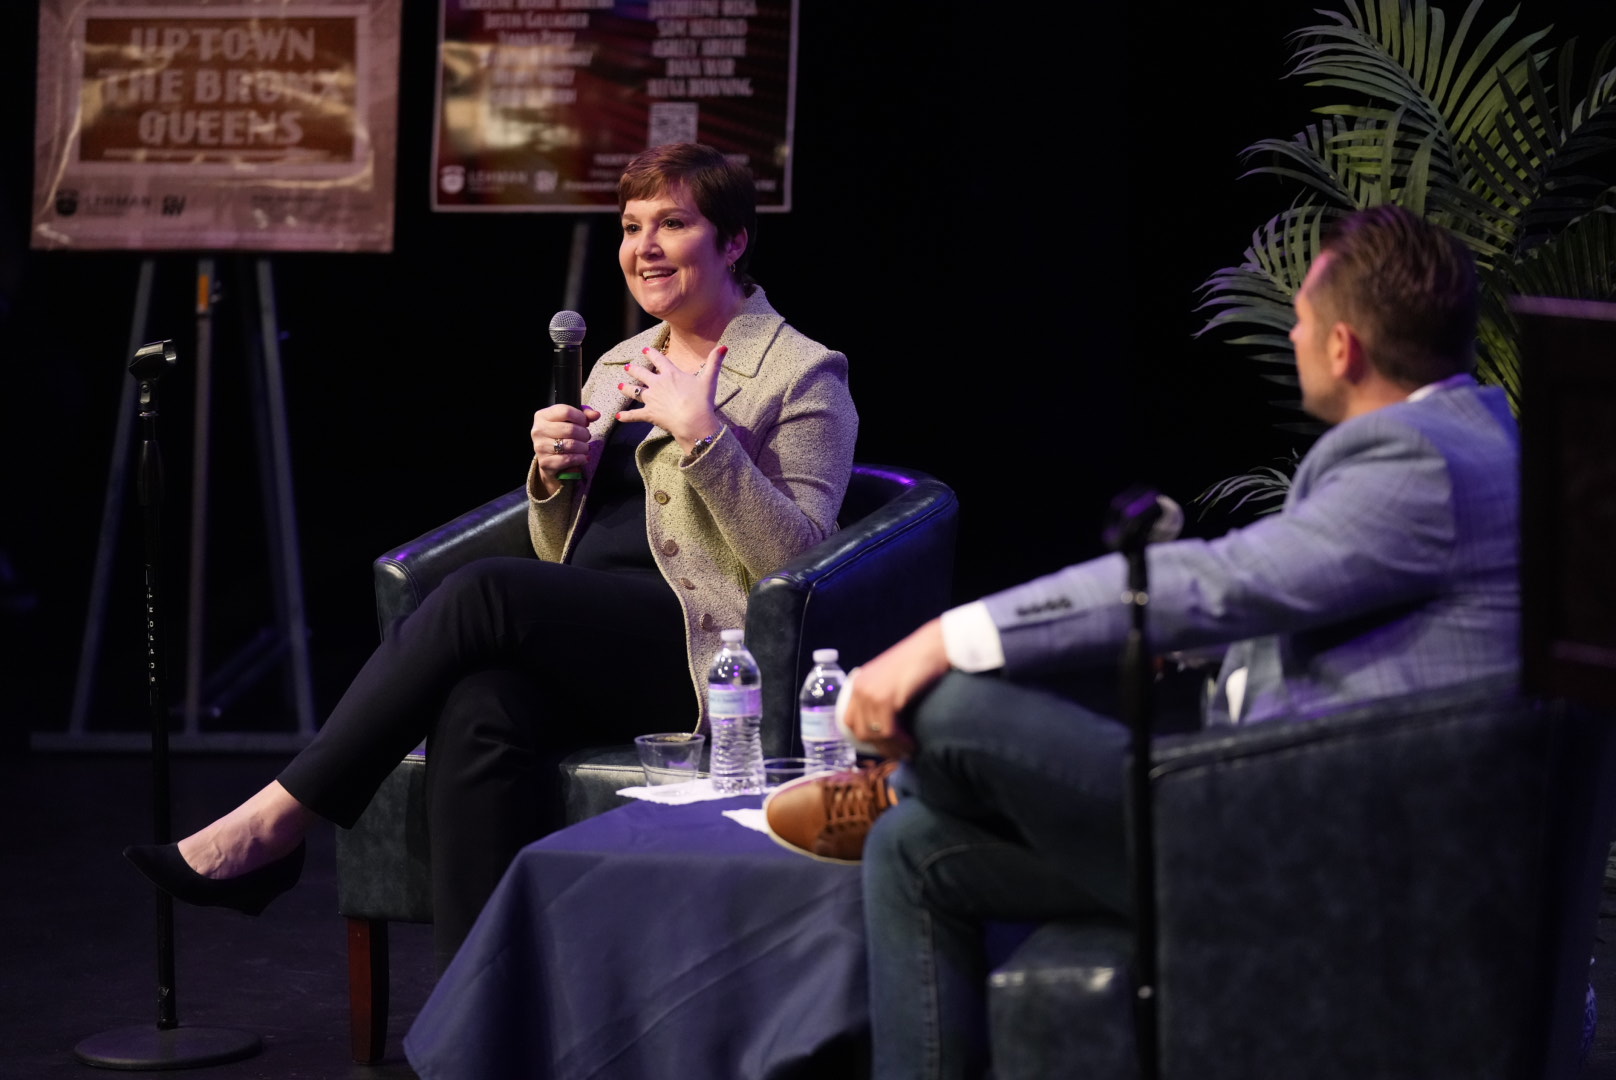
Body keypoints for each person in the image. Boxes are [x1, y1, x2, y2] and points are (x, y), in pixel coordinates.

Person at [763, 204, 1518, 1078]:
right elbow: (1331, 605)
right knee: (914, 852)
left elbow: (1224, 581)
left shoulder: (1420, 461)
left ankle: (917, 774)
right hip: (1303, 817)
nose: (1295, 333)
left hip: (1318, 855)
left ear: (1344, 347)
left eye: (1302, 319)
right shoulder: (1475, 437)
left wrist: (941, 636)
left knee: (956, 699)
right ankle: (922, 796)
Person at [126, 142, 859, 969]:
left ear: (732, 243)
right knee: (479, 706)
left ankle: (278, 818)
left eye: (673, 224)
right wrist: (554, 480)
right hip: (591, 635)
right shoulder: (620, 361)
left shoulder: (801, 372)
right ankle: (476, 1022)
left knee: (483, 594)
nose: (643, 246)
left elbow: (801, 566)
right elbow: (560, 549)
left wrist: (707, 438)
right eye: (629, 227)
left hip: (702, 650)